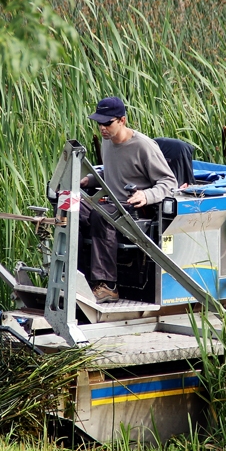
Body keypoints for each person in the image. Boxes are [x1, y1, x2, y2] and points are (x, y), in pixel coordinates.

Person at [79, 97, 177, 303]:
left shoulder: (143, 146)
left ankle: (108, 287)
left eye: (107, 123)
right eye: (99, 123)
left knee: (102, 215)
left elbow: (169, 182)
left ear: (122, 120)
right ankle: (74, 276)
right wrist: (88, 180)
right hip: (111, 203)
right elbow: (113, 172)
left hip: (134, 209)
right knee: (70, 206)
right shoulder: (107, 142)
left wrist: (146, 195)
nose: (102, 128)